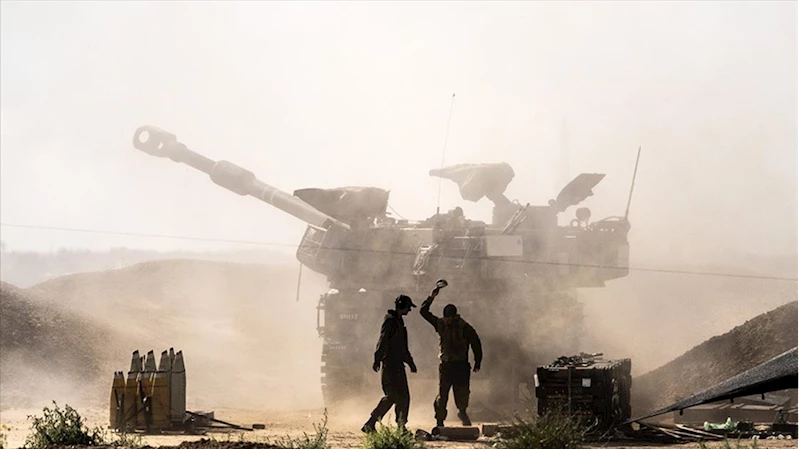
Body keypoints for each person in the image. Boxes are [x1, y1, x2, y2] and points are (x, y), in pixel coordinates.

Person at [420, 286, 482, 427]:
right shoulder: (440, 324)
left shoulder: (464, 327)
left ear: (454, 317)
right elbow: (423, 312)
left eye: (449, 318)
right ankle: (440, 419)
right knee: (443, 395)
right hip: (447, 365)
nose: (447, 321)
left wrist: (478, 360)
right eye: (446, 318)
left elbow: (475, 342)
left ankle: (462, 412)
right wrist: (431, 297)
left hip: (461, 365)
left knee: (462, 393)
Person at [361, 294, 418, 433]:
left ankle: (401, 427)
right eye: (408, 307)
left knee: (403, 396)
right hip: (390, 365)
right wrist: (377, 359)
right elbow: (383, 340)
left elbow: (403, 347)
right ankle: (370, 423)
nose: (409, 310)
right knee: (392, 396)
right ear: (401, 305)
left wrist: (410, 362)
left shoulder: (398, 322)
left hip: (398, 365)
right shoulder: (390, 321)